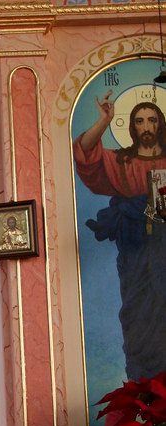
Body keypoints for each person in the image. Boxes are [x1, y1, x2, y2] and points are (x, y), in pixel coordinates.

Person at [73, 93, 166, 378]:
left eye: (152, 120)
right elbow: (86, 153)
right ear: (132, 127)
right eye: (139, 121)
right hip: (135, 249)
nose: (146, 126)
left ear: (160, 124)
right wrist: (104, 121)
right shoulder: (122, 162)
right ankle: (145, 383)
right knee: (137, 312)